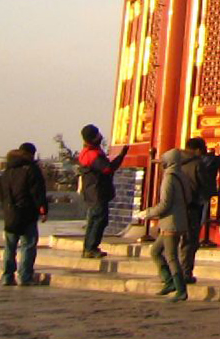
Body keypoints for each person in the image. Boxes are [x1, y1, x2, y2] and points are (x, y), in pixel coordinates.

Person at [137, 145, 197, 300]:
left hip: (171, 222)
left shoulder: (169, 178)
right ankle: (169, 281)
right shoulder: (182, 175)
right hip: (179, 219)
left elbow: (165, 204)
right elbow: (189, 198)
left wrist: (148, 213)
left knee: (171, 256)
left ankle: (180, 289)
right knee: (155, 251)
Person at [181, 135, 220, 280]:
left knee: (175, 240)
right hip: (195, 203)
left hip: (179, 204)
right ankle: (184, 273)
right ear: (199, 150)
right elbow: (205, 181)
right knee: (191, 239)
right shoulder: (203, 162)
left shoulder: (177, 163)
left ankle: (172, 272)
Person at [0, 142, 49, 286]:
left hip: (10, 213)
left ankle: (7, 276)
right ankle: (24, 276)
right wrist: (43, 209)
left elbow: (2, 194)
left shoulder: (7, 171)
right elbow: (37, 192)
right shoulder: (31, 170)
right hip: (27, 213)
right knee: (28, 245)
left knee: (10, 246)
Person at [74, 125, 126, 258]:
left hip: (91, 192)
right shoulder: (93, 155)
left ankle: (88, 248)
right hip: (98, 192)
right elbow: (108, 168)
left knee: (93, 220)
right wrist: (121, 156)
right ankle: (91, 248)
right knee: (99, 220)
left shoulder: (86, 152)